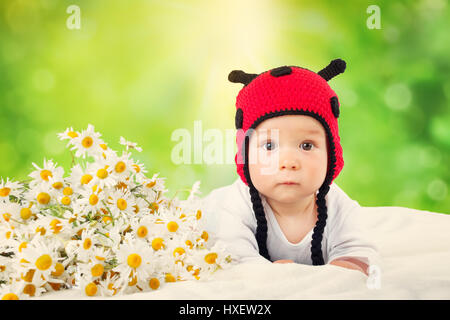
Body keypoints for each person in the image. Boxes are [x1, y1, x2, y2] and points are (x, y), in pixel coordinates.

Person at [201, 60, 380, 276]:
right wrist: (276, 276)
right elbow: (232, 261)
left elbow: (360, 257)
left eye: (306, 145)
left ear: (331, 153)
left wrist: (339, 270)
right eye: (269, 146)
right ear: (245, 156)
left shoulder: (338, 208)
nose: (288, 162)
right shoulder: (232, 208)